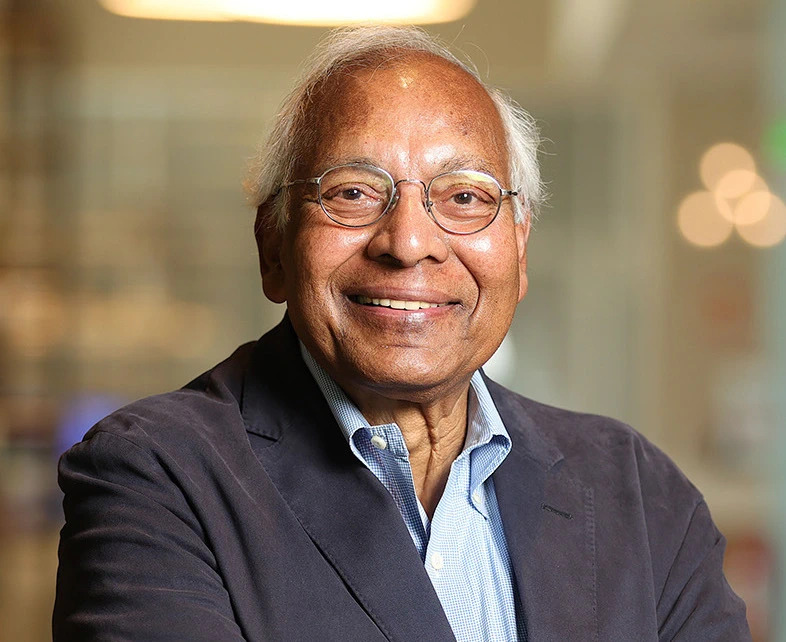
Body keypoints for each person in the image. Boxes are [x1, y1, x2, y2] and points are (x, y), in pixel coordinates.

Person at [53, 26, 750, 641]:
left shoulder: (638, 493)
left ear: (520, 250)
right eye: (353, 192)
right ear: (273, 247)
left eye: (465, 197)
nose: (410, 242)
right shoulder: (154, 478)